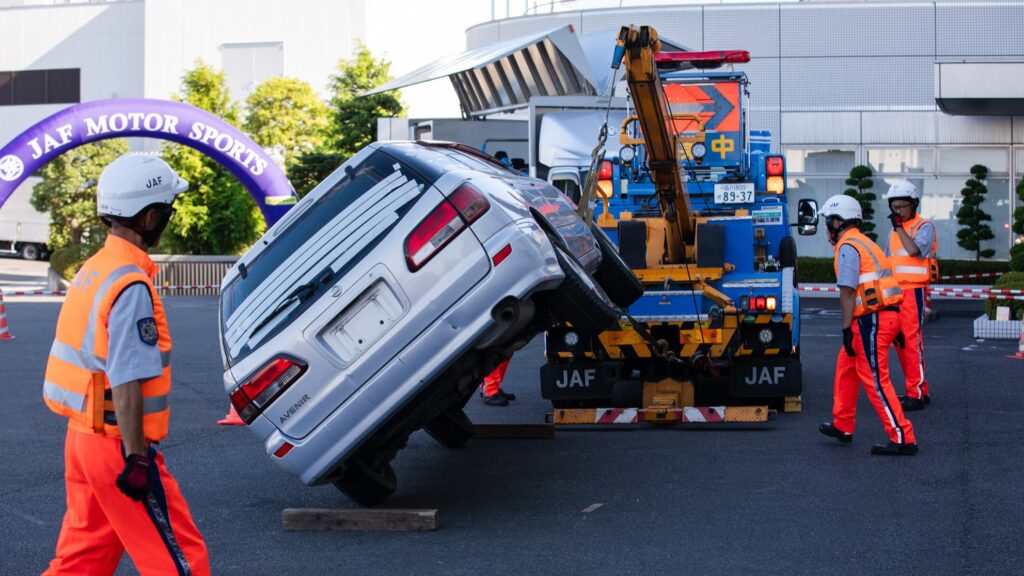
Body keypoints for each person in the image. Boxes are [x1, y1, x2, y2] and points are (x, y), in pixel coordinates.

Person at [42, 155, 210, 575]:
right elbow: (127, 378)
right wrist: (137, 458)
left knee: (83, 560)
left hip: (83, 439)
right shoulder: (130, 283)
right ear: (151, 216)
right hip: (119, 445)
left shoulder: (96, 269)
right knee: (181, 562)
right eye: (166, 212)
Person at [817, 194, 919, 456]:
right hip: (882, 316)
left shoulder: (848, 246)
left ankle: (903, 437)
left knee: (875, 380)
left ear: (838, 222)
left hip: (870, 320)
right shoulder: (866, 242)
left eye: (829, 222)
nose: (827, 229)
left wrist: (845, 329)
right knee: (846, 368)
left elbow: (848, 292)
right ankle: (843, 425)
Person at [884, 181, 937, 411]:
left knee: (912, 341)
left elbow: (915, 251)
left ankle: (914, 393)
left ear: (913, 204)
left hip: (914, 291)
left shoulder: (923, 227)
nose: (897, 211)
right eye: (894, 207)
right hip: (895, 292)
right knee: (901, 343)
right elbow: (888, 263)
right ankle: (917, 388)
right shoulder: (894, 232)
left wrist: (899, 229)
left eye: (902, 206)